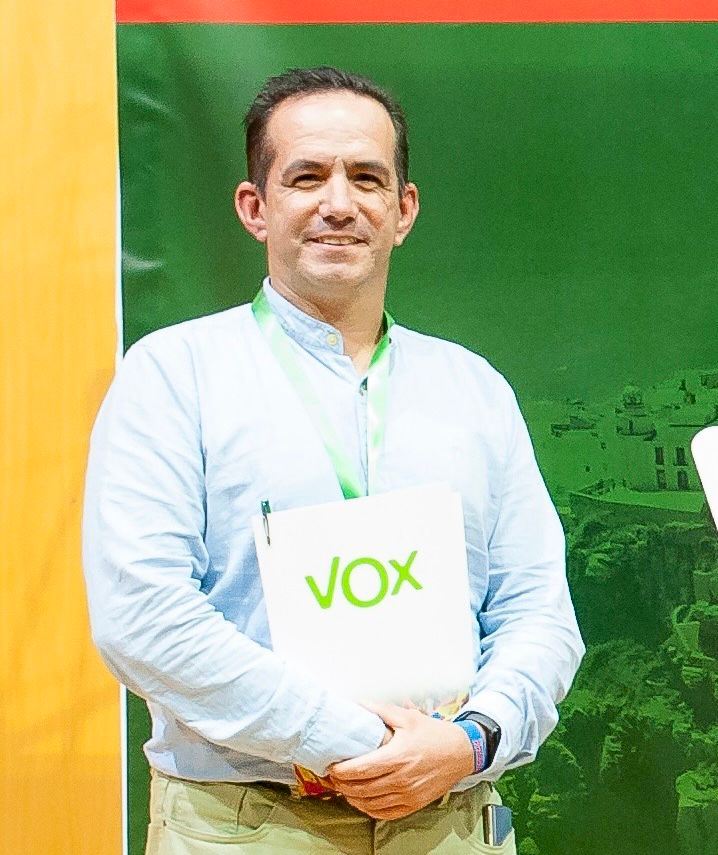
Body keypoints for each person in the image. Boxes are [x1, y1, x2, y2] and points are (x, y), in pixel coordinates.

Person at [83, 66, 584, 854]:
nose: (340, 203)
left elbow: (538, 610)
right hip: (246, 825)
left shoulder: (474, 389)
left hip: (453, 818)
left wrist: (472, 739)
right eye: (307, 176)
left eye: (367, 178)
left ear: (403, 209)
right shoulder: (174, 375)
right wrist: (361, 742)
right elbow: (143, 613)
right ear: (255, 207)